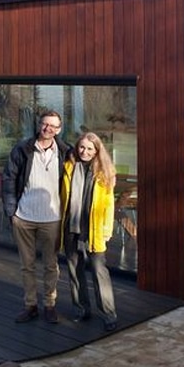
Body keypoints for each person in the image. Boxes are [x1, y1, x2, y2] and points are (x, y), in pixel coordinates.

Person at [2, 110, 71, 324]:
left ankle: (50, 305)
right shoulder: (23, 149)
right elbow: (8, 179)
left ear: (59, 129)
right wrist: (12, 211)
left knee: (51, 265)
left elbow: (89, 163)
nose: (48, 128)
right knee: (27, 265)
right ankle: (30, 305)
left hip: (51, 218)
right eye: (45, 124)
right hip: (24, 216)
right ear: (39, 125)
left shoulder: (66, 152)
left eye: (53, 126)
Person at [60, 132, 118, 331]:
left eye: (89, 149)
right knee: (75, 271)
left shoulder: (105, 173)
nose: (84, 152)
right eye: (82, 147)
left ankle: (109, 313)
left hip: (93, 230)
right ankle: (81, 309)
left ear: (97, 151)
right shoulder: (68, 167)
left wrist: (106, 230)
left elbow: (109, 205)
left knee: (98, 271)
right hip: (71, 227)